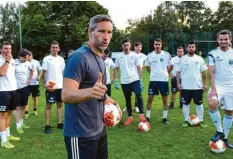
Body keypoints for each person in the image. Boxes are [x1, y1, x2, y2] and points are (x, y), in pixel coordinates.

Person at [62, 14, 121, 159]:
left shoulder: (100, 58)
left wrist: (113, 102)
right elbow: (66, 94)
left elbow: (99, 91)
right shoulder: (78, 57)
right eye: (101, 31)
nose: (106, 36)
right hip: (80, 134)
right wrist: (90, 92)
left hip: (99, 130)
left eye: (109, 32)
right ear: (90, 32)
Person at [207, 30, 233, 148]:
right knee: (212, 103)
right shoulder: (212, 53)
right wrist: (213, 89)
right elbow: (211, 73)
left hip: (231, 86)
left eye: (225, 39)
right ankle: (219, 131)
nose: (223, 41)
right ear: (217, 40)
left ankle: (225, 139)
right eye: (221, 39)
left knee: (229, 112)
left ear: (230, 39)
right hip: (217, 85)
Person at [114, 39, 146, 125]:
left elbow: (139, 67)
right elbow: (116, 68)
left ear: (130, 46)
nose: (126, 47)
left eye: (127, 45)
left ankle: (141, 115)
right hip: (124, 82)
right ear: (122, 46)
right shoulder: (118, 56)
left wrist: (141, 79)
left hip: (135, 80)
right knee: (128, 100)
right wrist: (116, 80)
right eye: (124, 45)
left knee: (139, 96)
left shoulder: (134, 55)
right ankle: (130, 117)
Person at [176, 41, 207, 128]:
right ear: (186, 48)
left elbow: (204, 73)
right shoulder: (182, 59)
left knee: (199, 104)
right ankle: (186, 120)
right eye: (189, 47)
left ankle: (201, 120)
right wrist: (178, 84)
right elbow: (178, 72)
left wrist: (205, 84)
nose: (191, 48)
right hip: (185, 86)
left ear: (195, 48)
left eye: (193, 47)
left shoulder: (200, 59)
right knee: (186, 104)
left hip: (197, 86)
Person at [145, 38, 173, 124]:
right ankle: (147, 117)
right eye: (156, 44)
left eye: (159, 44)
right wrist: (153, 73)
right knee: (150, 98)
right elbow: (147, 67)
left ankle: (165, 118)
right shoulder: (150, 55)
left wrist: (166, 73)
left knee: (165, 100)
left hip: (163, 80)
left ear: (161, 45)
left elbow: (171, 66)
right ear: (153, 45)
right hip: (153, 80)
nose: (157, 46)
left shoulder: (166, 54)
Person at [42, 40, 65, 134]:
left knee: (60, 105)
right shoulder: (46, 59)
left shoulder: (61, 59)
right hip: (50, 87)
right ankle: (47, 125)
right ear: (50, 48)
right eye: (53, 47)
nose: (55, 49)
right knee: (48, 106)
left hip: (60, 86)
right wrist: (44, 84)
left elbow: (63, 73)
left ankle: (60, 123)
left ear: (58, 49)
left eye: (56, 47)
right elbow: (44, 72)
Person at [0, 41, 20, 148]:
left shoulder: (12, 60)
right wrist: (7, 61)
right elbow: (1, 72)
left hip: (13, 90)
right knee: (2, 115)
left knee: (8, 113)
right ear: (1, 50)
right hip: (3, 91)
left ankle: (7, 135)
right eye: (6, 48)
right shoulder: (2, 60)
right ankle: (3, 141)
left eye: (10, 49)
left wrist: (9, 60)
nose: (8, 50)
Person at [122, 42, 147, 113]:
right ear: (134, 48)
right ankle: (127, 106)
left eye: (139, 47)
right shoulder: (131, 54)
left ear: (141, 48)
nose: (138, 48)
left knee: (137, 92)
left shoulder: (143, 56)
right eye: (136, 47)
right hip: (129, 76)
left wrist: (142, 67)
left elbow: (148, 62)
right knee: (127, 93)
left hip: (137, 76)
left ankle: (136, 106)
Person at [25, 51, 43, 119]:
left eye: (28, 56)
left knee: (35, 97)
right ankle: (26, 113)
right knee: (26, 98)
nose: (27, 57)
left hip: (35, 83)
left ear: (31, 56)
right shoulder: (24, 62)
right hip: (27, 83)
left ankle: (35, 110)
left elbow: (41, 70)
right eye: (26, 56)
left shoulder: (36, 62)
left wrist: (39, 76)